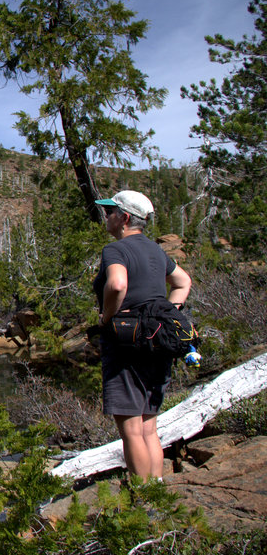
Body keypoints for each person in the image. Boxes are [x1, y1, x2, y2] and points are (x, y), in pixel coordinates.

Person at [92, 190, 192, 481]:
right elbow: (182, 282)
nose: (106, 216)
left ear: (124, 218)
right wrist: (164, 312)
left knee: (131, 430)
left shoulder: (116, 250)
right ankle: (156, 491)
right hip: (158, 340)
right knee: (149, 427)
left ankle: (143, 498)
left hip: (125, 342)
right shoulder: (155, 251)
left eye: (110, 212)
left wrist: (108, 317)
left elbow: (118, 284)